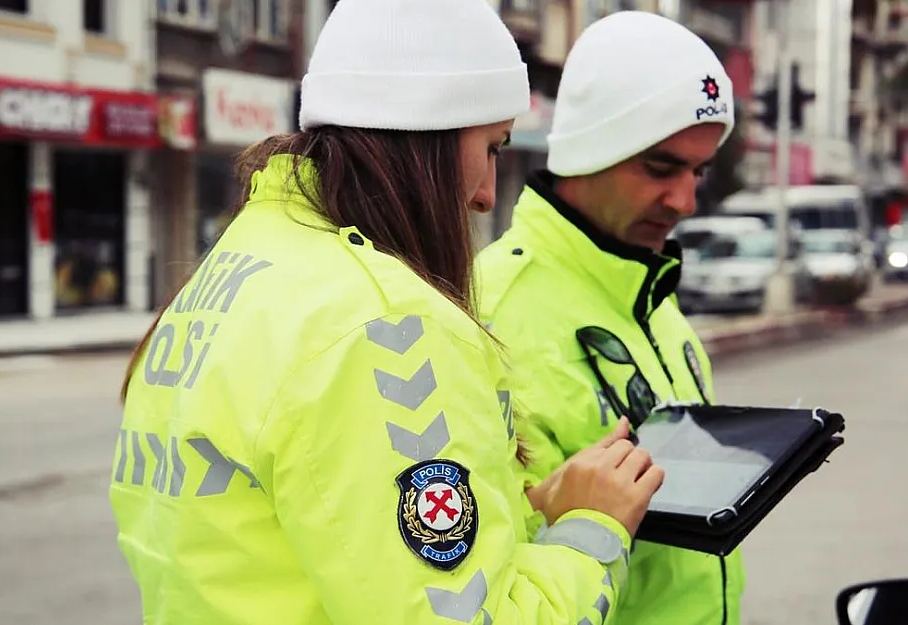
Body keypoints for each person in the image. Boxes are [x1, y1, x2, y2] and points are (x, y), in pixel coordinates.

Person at [109, 1, 665, 624]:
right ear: (431, 139)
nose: (486, 194)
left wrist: (533, 508)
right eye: (491, 146)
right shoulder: (386, 325)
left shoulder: (229, 273)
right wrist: (595, 530)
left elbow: (297, 545)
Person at [475, 11, 744, 625]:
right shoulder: (486, 312)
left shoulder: (655, 303)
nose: (685, 201)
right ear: (591, 149)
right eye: (660, 168)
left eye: (698, 171)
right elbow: (470, 570)